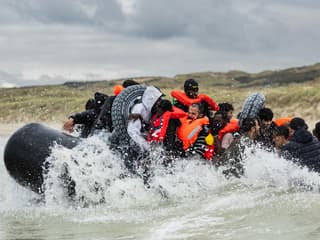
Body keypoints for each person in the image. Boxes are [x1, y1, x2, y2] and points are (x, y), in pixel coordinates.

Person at [63, 79, 139, 137]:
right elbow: (92, 113)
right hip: (97, 138)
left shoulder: (138, 108)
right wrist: (73, 119)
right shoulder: (112, 103)